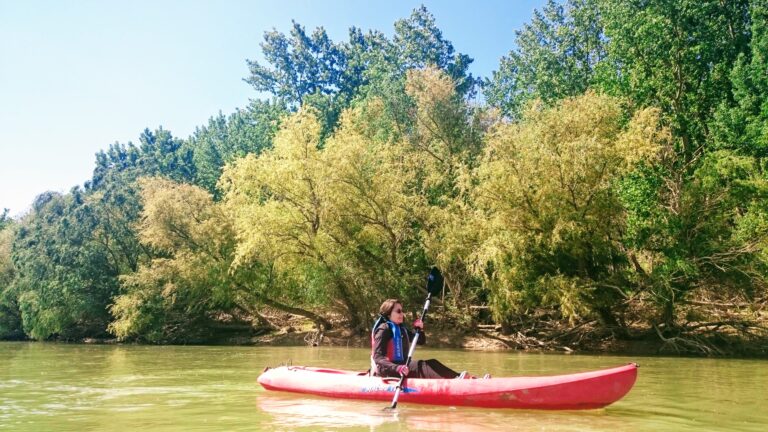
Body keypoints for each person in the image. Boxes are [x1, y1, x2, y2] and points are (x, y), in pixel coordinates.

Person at [371, 298, 471, 379]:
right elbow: (377, 357)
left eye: (402, 311)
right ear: (388, 314)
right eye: (398, 311)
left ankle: (457, 376)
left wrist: (419, 330)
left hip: (402, 366)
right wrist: (397, 368)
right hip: (388, 370)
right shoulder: (383, 330)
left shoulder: (401, 329)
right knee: (421, 365)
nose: (402, 314)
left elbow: (420, 341)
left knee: (432, 362)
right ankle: (454, 380)